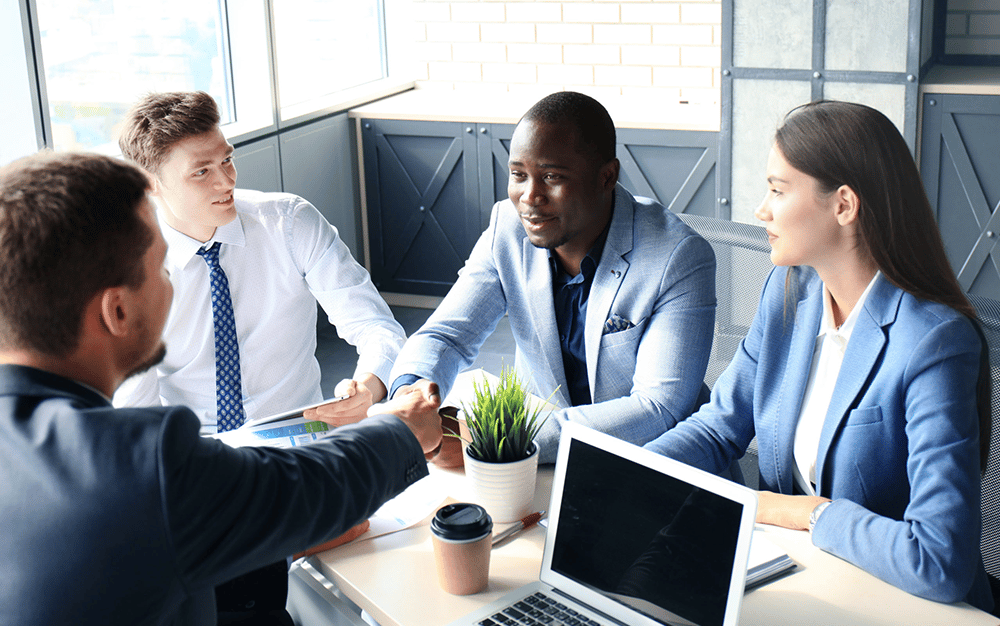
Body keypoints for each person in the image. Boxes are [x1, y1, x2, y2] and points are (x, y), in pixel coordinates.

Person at [0, 151, 441, 625]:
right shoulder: (141, 461)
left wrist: (276, 539)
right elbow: (300, 489)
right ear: (118, 311)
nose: (172, 284)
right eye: (162, 269)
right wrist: (401, 431)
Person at [644, 100, 993, 612]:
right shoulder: (789, 292)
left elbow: (938, 560)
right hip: (795, 582)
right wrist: (629, 473)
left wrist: (806, 514)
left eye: (778, 190)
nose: (761, 209)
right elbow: (719, 427)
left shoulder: (934, 343)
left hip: (896, 605)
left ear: (844, 205)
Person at [357, 91, 716, 465]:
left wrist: (493, 442)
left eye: (551, 177)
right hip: (548, 466)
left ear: (606, 176)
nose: (530, 197)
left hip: (654, 465)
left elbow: (656, 408)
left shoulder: (678, 257)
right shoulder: (507, 230)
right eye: (518, 175)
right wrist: (412, 400)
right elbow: (445, 336)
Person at [114, 91, 405, 432]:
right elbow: (136, 411)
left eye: (226, 160)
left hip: (302, 438)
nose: (227, 181)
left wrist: (368, 390)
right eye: (201, 172)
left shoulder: (290, 225)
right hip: (196, 452)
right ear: (150, 184)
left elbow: (377, 328)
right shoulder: (130, 270)